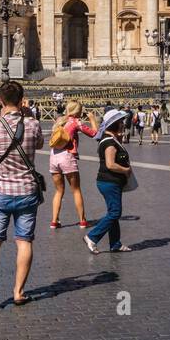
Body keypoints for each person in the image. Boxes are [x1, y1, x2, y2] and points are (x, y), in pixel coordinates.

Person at [0, 80, 45, 310]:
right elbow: (39, 144)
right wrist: (26, 116)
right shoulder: (33, 125)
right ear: (22, 99)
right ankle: (18, 291)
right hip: (27, 191)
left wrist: (1, 116)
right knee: (24, 241)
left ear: (0, 101)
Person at [86, 109, 134, 253]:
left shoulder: (111, 139)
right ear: (115, 125)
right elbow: (110, 164)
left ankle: (115, 243)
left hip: (111, 182)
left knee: (113, 212)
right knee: (115, 213)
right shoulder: (109, 142)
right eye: (121, 122)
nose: (123, 124)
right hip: (109, 182)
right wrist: (126, 170)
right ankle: (92, 237)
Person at [49, 100, 97, 229]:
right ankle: (82, 220)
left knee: (59, 191)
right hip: (67, 157)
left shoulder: (59, 121)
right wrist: (92, 119)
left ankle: (54, 221)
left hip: (54, 157)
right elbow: (95, 134)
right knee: (76, 190)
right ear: (77, 112)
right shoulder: (75, 122)